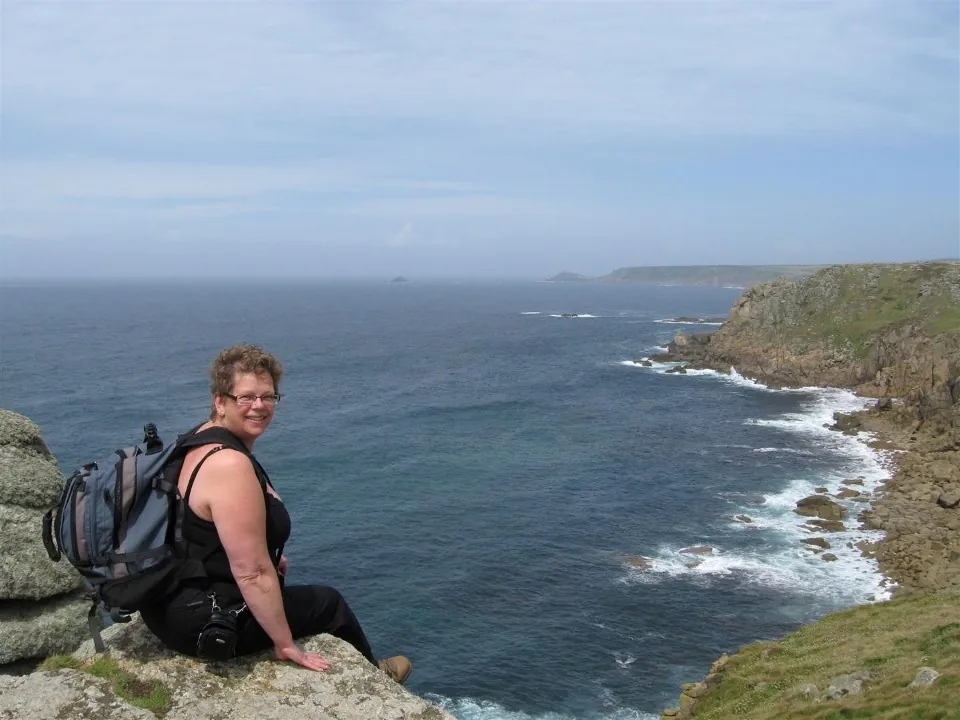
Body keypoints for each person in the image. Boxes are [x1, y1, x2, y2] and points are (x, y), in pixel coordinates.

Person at [139, 344, 411, 684]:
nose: (259, 406)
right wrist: (285, 645)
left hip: (166, 603)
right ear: (220, 401)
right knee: (329, 604)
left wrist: (267, 552)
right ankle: (376, 678)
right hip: (201, 621)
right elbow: (251, 573)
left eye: (268, 397)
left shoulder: (199, 437)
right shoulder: (228, 464)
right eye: (246, 397)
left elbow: (199, 526)